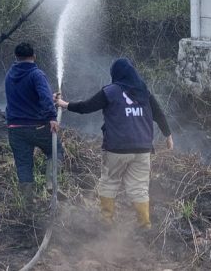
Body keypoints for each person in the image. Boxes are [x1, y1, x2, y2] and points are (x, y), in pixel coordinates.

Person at [55, 57, 173, 228]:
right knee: (139, 187)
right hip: (143, 148)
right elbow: (159, 114)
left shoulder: (110, 91)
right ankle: (144, 224)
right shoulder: (144, 92)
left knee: (109, 182)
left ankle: (107, 221)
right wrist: (168, 135)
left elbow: (86, 107)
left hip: (117, 148)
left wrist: (64, 104)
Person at [4, 41, 62, 202]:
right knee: (55, 150)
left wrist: (51, 99)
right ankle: (51, 183)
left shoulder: (9, 75)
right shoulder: (37, 74)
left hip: (15, 128)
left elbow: (24, 98)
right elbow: (43, 97)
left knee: (23, 164)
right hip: (36, 126)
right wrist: (52, 117)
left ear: (16, 57)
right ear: (34, 57)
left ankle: (28, 201)